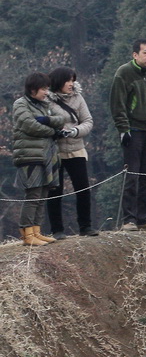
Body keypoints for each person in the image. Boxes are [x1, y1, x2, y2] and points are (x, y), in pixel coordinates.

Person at [109, 38, 146, 232]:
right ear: (135, 55)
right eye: (145, 53)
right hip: (133, 129)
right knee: (132, 175)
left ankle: (145, 218)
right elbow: (118, 104)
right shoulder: (123, 73)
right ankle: (129, 219)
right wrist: (123, 129)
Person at [12, 72, 70, 246]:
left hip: (47, 156)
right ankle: (27, 233)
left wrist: (47, 119)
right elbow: (30, 125)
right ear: (33, 89)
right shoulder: (20, 104)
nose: (46, 92)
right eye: (44, 88)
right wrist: (52, 131)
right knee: (33, 194)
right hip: (30, 156)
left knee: (43, 194)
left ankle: (36, 231)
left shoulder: (44, 105)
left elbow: (62, 119)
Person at [46, 67, 97, 239]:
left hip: (76, 148)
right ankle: (57, 229)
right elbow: (44, 122)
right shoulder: (47, 100)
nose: (71, 84)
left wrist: (75, 131)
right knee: (55, 190)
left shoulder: (78, 97)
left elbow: (88, 121)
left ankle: (86, 226)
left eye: (73, 80)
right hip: (56, 150)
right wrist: (57, 130)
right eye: (68, 80)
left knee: (83, 188)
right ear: (58, 82)